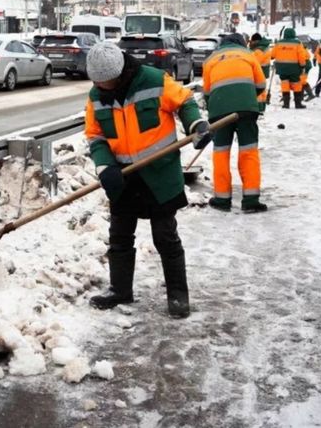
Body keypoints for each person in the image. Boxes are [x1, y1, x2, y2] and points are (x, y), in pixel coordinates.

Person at [83, 41, 208, 319]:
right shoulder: (96, 96)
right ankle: (120, 290)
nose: (100, 86)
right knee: (119, 235)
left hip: (159, 173)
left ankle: (178, 296)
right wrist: (105, 166)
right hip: (123, 177)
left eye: (105, 81)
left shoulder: (153, 80)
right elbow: (96, 135)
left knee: (165, 237)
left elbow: (184, 101)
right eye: (96, 81)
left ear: (120, 73)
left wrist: (196, 125)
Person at [201, 33, 268, 213]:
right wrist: (244, 99)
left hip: (219, 111)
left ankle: (222, 200)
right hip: (247, 109)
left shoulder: (210, 60)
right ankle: (251, 200)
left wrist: (217, 105)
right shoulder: (248, 55)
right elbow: (261, 84)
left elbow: (206, 92)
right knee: (249, 151)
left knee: (221, 153)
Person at [271, 28, 310, 109]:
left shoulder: (279, 43)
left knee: (285, 85)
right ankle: (298, 104)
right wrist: (303, 65)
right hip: (294, 68)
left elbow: (272, 55)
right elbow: (301, 55)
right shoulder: (298, 43)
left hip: (281, 69)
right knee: (296, 85)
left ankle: (286, 104)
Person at [249, 33, 272, 113]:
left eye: (252, 41)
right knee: (262, 91)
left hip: (259, 72)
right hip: (264, 71)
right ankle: (262, 107)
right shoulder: (264, 47)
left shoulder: (259, 50)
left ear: (256, 41)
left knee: (258, 91)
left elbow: (254, 62)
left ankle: (258, 108)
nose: (251, 43)